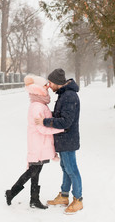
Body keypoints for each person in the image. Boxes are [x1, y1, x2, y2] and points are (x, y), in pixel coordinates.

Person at [5, 74, 64, 209]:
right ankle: (12, 192)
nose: (48, 88)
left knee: (36, 171)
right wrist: (60, 129)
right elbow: (42, 129)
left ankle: (34, 199)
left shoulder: (40, 104)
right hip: (38, 144)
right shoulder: (38, 106)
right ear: (38, 89)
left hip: (40, 143)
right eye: (45, 87)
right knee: (33, 171)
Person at [35, 68, 83, 214]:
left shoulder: (69, 96)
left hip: (68, 139)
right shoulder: (64, 94)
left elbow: (65, 122)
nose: (49, 85)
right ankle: (64, 195)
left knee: (72, 170)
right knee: (65, 168)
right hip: (64, 140)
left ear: (57, 82)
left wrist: (45, 121)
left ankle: (78, 199)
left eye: (50, 82)